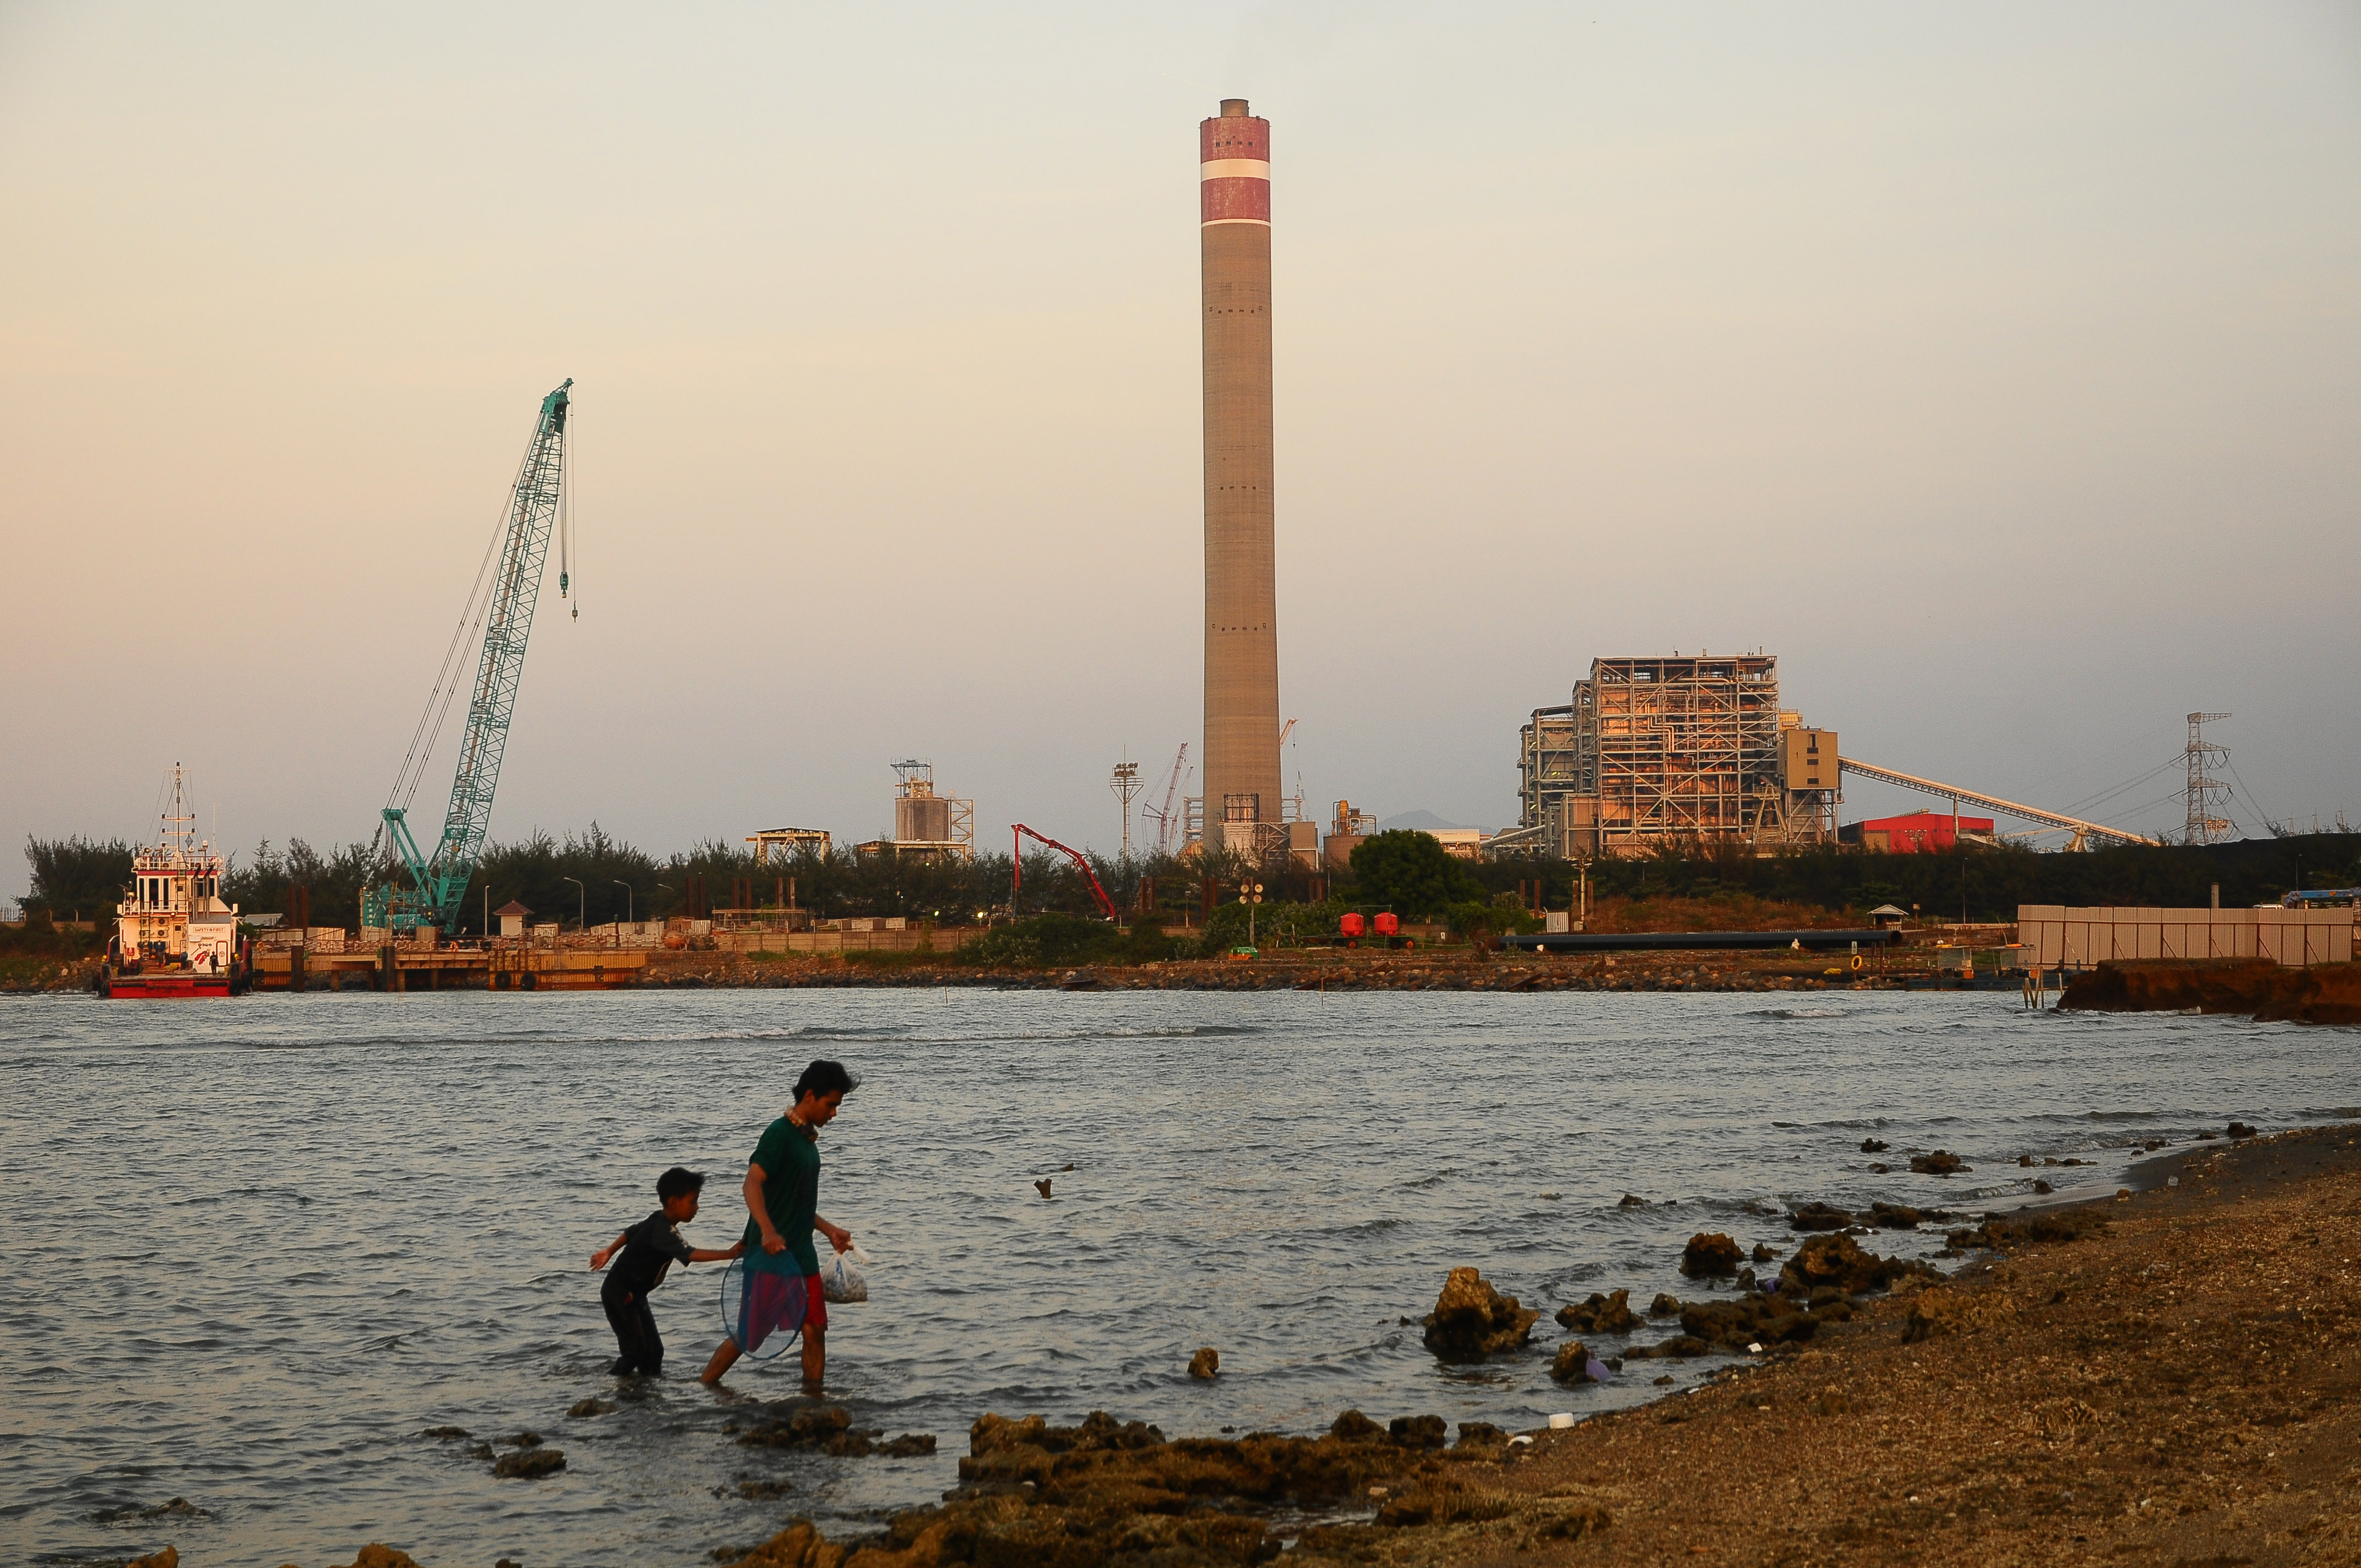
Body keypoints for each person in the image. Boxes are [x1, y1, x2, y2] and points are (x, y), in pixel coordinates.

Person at [700, 1059, 857, 1391]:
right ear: (810, 1096)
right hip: (770, 1256)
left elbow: (796, 1203)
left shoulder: (807, 1142)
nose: (834, 1114)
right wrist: (768, 1231)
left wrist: (829, 1229)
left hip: (803, 1255)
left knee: (815, 1330)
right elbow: (752, 1184)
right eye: (831, 1105)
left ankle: (814, 1403)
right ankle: (703, 1386)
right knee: (750, 1337)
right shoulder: (779, 1134)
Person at [590, 1166, 742, 1377]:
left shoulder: (659, 1220)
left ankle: (644, 1393)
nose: (697, 1207)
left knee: (655, 1351)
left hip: (635, 1293)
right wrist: (729, 1253)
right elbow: (689, 1254)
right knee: (635, 1352)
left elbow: (630, 1232)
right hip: (619, 1293)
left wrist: (609, 1251)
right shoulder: (663, 1231)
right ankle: (610, 1387)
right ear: (673, 1202)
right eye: (693, 1201)